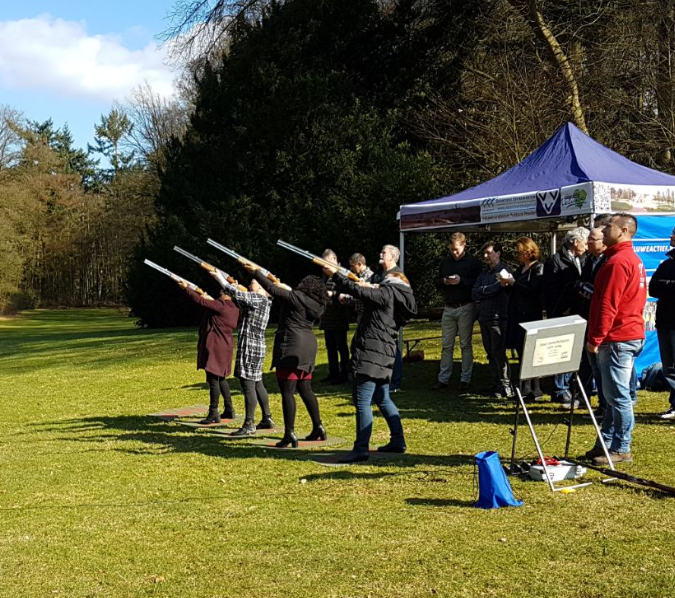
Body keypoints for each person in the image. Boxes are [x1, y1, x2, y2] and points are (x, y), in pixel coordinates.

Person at [324, 266, 417, 463]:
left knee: (362, 402)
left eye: (385, 279)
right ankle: (397, 441)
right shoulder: (396, 295)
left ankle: (360, 448)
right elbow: (363, 290)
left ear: (394, 280)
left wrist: (334, 275)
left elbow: (356, 290)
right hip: (383, 355)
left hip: (370, 355)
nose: (382, 281)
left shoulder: (386, 293)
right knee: (383, 399)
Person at [585, 213, 647, 465]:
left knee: (618, 397)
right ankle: (606, 443)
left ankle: (621, 447)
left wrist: (596, 338)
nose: (603, 229)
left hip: (617, 338)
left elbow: (608, 305)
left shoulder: (618, 263)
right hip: (626, 334)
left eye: (608, 226)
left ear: (623, 230)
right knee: (612, 396)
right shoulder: (628, 259)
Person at [249, 267, 328, 448]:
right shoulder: (315, 303)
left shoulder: (297, 297)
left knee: (287, 391)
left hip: (292, 345)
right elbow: (280, 289)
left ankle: (289, 433)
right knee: (305, 388)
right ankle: (318, 427)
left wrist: (255, 273)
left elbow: (272, 290)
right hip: (308, 346)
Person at [212, 272, 276, 436]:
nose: (250, 285)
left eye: (253, 282)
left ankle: (249, 423)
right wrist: (233, 283)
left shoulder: (258, 298)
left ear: (262, 287)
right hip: (257, 346)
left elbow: (235, 293)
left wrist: (218, 277)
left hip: (250, 346)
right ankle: (267, 418)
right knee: (257, 382)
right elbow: (240, 297)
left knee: (248, 384)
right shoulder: (265, 301)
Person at [179, 282, 239, 424]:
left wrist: (186, 288)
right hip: (225, 346)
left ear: (224, 294)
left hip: (215, 346)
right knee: (221, 377)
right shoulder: (234, 308)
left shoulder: (220, 306)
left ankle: (213, 412)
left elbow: (199, 300)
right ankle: (229, 409)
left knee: (213, 379)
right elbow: (210, 303)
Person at [543, 227, 589, 403]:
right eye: (584, 242)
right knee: (564, 351)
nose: (586, 246)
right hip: (562, 312)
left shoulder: (585, 259)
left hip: (580, 311)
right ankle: (560, 389)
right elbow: (550, 288)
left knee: (578, 351)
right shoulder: (555, 260)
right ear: (575, 242)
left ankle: (574, 386)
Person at [434, 232, 482, 392]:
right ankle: (443, 379)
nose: (454, 252)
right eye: (452, 249)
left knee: (465, 344)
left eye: (457, 249)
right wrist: (444, 281)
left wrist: (462, 281)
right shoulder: (445, 262)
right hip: (449, 307)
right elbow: (436, 281)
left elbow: (478, 282)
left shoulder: (473, 262)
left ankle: (465, 379)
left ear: (464, 246)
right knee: (446, 345)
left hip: (465, 306)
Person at [503, 237, 544, 401]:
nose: (517, 255)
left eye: (519, 252)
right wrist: (507, 285)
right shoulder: (521, 268)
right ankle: (524, 388)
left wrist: (514, 283)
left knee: (532, 352)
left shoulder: (538, 268)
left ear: (528, 251)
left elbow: (534, 291)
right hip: (517, 315)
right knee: (521, 351)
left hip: (531, 316)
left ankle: (535, 389)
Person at [575, 226, 608, 416]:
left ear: (603, 242)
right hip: (586, 315)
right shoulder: (589, 260)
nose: (588, 242)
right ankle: (588, 398)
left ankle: (606, 405)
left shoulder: (608, 261)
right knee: (589, 363)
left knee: (601, 366)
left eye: (592, 239)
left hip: (601, 321)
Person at [472, 241, 512, 398]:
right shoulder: (484, 274)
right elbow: (474, 292)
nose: (485, 256)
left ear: (498, 253)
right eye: (484, 253)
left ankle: (506, 385)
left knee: (498, 352)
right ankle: (496, 383)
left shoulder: (504, 271)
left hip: (498, 318)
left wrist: (484, 290)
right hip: (484, 318)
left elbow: (498, 288)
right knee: (490, 353)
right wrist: (486, 290)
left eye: (489, 253)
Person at [648, 225, 675, 420]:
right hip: (664, 321)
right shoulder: (666, 263)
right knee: (669, 367)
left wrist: (666, 285)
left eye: (674, 233)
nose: (671, 236)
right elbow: (653, 288)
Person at [371, 244, 404, 391]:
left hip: (390, 319)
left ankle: (394, 381)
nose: (380, 254)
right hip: (375, 318)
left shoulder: (397, 275)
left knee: (392, 350)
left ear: (393, 256)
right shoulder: (377, 275)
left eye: (384, 252)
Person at [319, 249, 350, 384]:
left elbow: (348, 290)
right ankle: (333, 373)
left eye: (327, 262)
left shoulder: (342, 273)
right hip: (327, 316)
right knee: (330, 347)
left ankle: (344, 374)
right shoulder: (325, 275)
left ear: (335, 259)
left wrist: (333, 294)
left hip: (339, 316)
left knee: (341, 347)